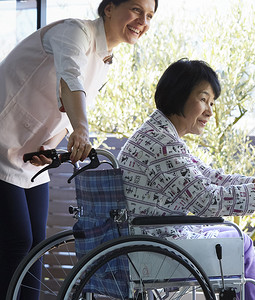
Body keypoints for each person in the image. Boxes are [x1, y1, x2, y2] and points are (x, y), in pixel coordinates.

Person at [0, 0, 158, 298]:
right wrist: (81, 131)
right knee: (17, 241)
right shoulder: (75, 32)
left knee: (35, 246)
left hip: (29, 157)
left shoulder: (105, 61)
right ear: (109, 7)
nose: (143, 21)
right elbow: (69, 80)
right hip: (0, 143)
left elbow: (60, 109)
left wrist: (51, 145)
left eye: (149, 15)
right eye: (136, 9)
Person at [118, 58, 255, 299]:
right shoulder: (161, 145)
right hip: (156, 248)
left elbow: (213, 178)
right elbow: (206, 202)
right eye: (203, 100)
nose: (210, 112)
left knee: (232, 238)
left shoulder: (158, 135)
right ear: (179, 94)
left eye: (212, 103)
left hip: (149, 241)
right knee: (239, 243)